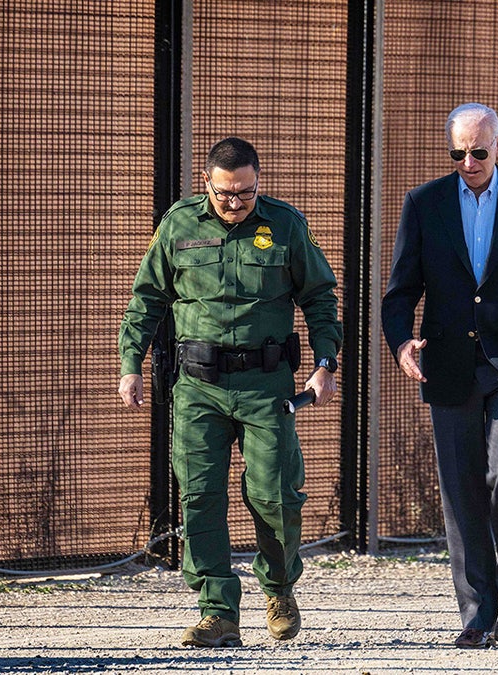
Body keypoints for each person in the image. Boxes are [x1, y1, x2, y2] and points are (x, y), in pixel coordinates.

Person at [118, 137, 343, 648]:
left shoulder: (285, 224)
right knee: (200, 495)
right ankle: (218, 610)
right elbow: (147, 299)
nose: (235, 202)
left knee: (275, 494)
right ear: (208, 184)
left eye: (245, 192)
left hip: (266, 385)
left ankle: (280, 587)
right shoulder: (179, 224)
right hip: (198, 386)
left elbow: (319, 298)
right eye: (225, 194)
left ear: (258, 182)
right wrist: (131, 364)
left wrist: (326, 364)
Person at [382, 103, 498, 649]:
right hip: (448, 365)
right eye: (458, 152)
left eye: (479, 151)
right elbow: (399, 294)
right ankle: (476, 611)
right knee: (462, 490)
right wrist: (401, 346)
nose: (468, 161)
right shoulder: (424, 203)